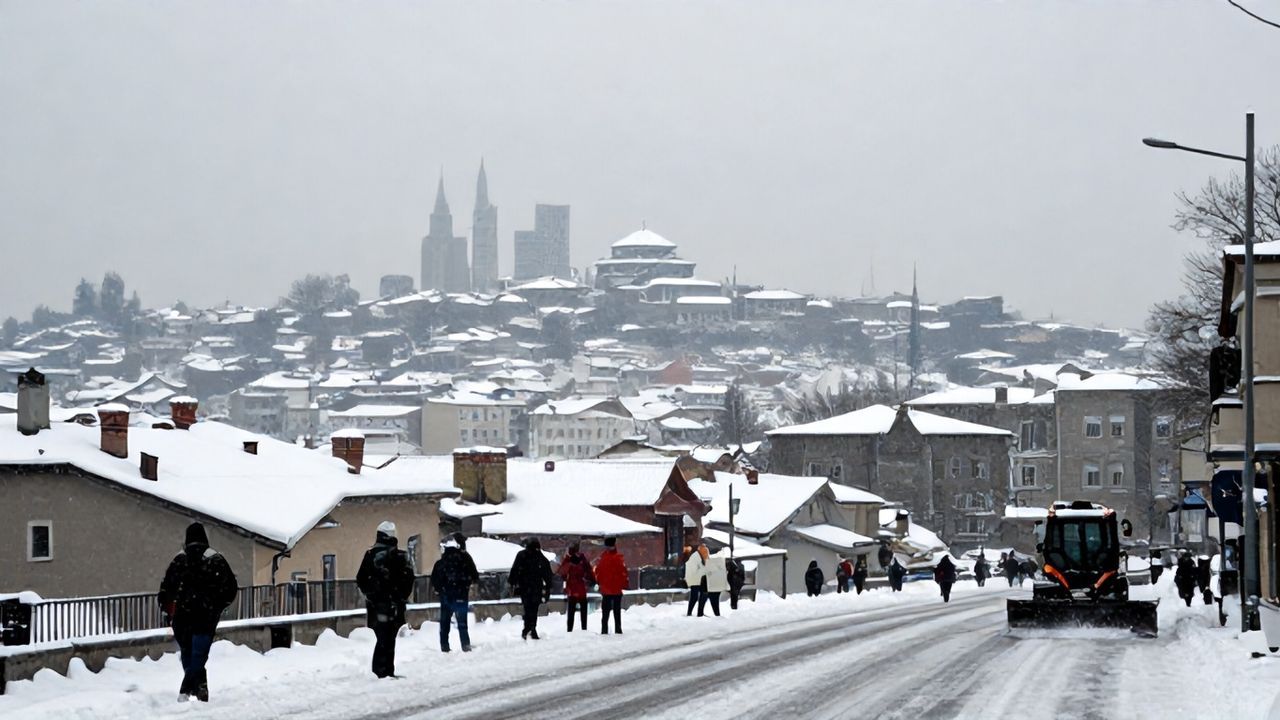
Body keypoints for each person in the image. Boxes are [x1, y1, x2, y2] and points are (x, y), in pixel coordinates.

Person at [157, 522, 238, 702]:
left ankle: (198, 688)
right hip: (205, 616)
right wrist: (217, 606)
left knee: (188, 653)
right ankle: (188, 689)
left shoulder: (179, 560)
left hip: (182, 617)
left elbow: (165, 589)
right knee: (199, 655)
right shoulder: (215, 559)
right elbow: (231, 588)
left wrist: (168, 611)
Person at [356, 521, 415, 678]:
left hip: (377, 605)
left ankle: (382, 670)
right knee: (389, 638)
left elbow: (361, 578)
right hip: (394, 604)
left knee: (383, 637)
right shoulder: (401, 557)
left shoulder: (371, 555)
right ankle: (385, 670)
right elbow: (409, 579)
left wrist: (372, 595)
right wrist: (401, 597)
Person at [431, 532, 479, 652]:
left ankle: (444, 646)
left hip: (446, 596)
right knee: (462, 623)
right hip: (461, 594)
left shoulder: (440, 563)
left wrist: (440, 590)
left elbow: (434, 580)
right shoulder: (465, 560)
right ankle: (465, 645)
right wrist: (466, 584)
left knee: (445, 623)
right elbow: (474, 576)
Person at [509, 537, 554, 640]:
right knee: (533, 609)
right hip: (535, 587)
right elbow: (547, 573)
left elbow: (515, 570)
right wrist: (548, 585)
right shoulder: (539, 556)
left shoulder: (522, 555)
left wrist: (512, 582)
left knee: (528, 608)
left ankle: (528, 629)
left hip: (525, 587)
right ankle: (531, 629)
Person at [557, 541, 595, 632]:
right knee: (583, 611)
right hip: (581, 588)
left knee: (571, 611)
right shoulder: (582, 559)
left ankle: (570, 629)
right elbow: (589, 571)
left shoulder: (568, 560)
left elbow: (561, 573)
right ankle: (584, 628)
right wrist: (592, 581)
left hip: (572, 589)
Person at [594, 537, 629, 634]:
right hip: (616, 590)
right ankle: (618, 630)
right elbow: (624, 573)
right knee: (617, 612)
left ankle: (604, 631)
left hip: (606, 590)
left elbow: (598, 572)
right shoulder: (619, 558)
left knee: (605, 613)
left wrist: (599, 583)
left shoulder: (603, 558)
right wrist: (624, 585)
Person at [701, 549, 729, 617]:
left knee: (711, 598)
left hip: (712, 584)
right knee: (714, 599)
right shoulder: (721, 560)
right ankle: (716, 614)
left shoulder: (710, 561)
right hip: (717, 583)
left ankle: (715, 613)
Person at [684, 545, 706, 616]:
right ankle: (690, 613)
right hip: (695, 580)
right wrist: (705, 570)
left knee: (702, 595)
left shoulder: (698, 556)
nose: (705, 552)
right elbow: (694, 570)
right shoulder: (695, 557)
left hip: (698, 580)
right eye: (704, 550)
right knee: (694, 597)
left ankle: (699, 613)